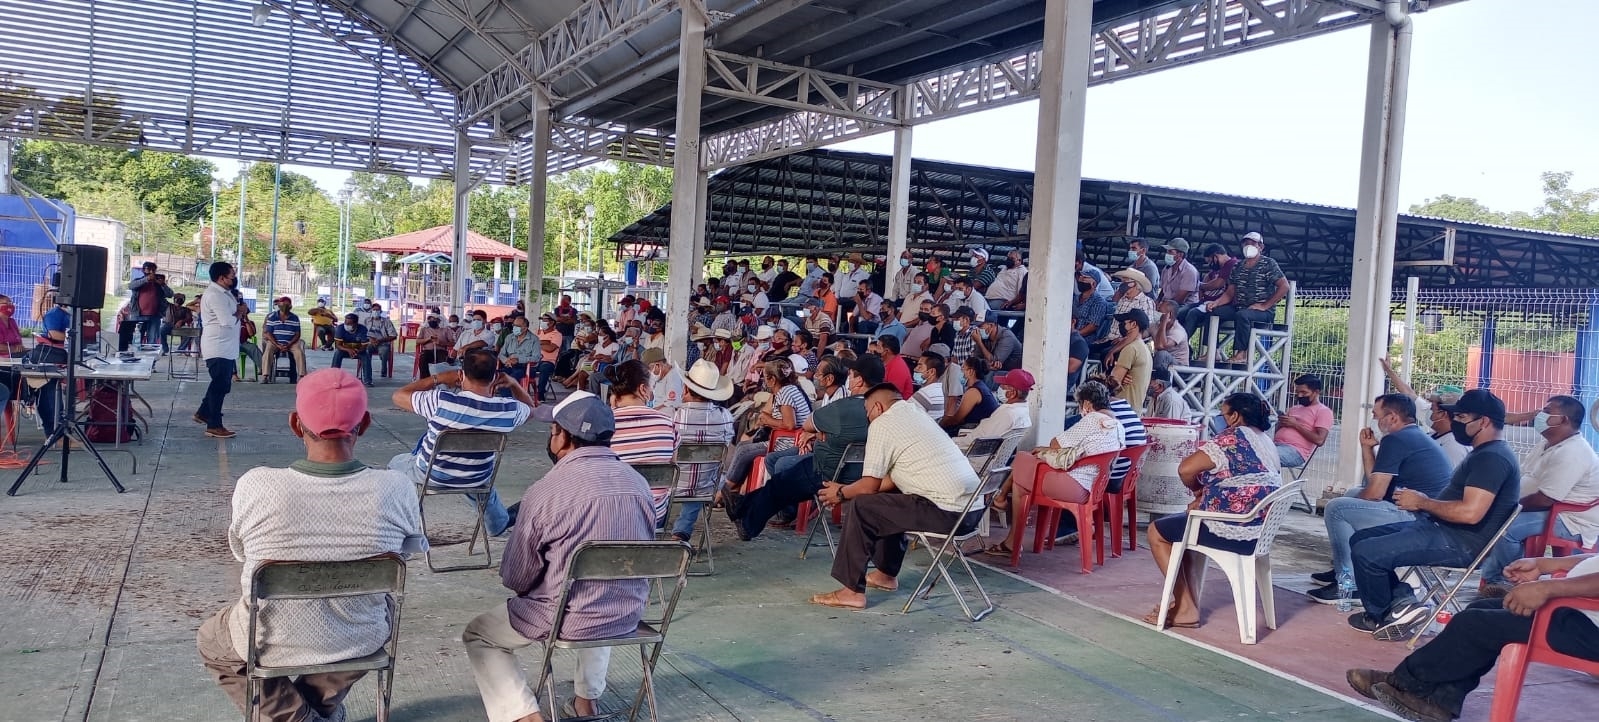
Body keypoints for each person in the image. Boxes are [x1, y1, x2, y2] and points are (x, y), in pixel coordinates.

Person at [197, 368, 423, 722]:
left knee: (212, 640)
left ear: (295, 423)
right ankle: (320, 710)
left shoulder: (256, 485)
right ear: (364, 424)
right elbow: (402, 557)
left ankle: (300, 718)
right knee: (377, 613)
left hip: (269, 639)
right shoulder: (397, 487)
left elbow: (243, 554)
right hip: (361, 637)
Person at [462, 392, 653, 722]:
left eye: (552, 430)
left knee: (479, 633)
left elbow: (516, 577)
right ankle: (587, 702)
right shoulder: (639, 483)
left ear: (563, 437)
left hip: (565, 618)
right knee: (602, 589)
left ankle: (525, 717)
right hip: (627, 612)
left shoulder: (547, 490)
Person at [1346, 389, 1521, 641]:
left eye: (1461, 417)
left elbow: (1471, 513)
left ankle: (1381, 615)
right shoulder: (1484, 453)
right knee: (1360, 540)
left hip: (1458, 542)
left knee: (1367, 553)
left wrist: (1423, 502)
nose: (1455, 422)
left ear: (1483, 422)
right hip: (1439, 529)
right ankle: (1403, 605)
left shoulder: (1492, 458)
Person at [1346, 552, 1599, 722]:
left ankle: (1405, 683)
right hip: (1580, 612)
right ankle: (1441, 701)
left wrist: (1548, 587)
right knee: (1481, 610)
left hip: (1589, 627)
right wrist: (1545, 565)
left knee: (1476, 624)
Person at [808, 383, 984, 610]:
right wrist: (846, 489)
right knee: (887, 500)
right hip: (971, 511)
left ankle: (850, 591)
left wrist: (840, 493)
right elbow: (889, 481)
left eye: (867, 412)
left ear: (878, 408)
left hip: (949, 512)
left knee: (862, 507)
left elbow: (869, 486)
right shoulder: (916, 413)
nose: (868, 418)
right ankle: (885, 575)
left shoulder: (883, 424)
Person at [1144, 392, 1281, 629]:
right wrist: (1206, 495)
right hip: (1259, 530)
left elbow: (1186, 469)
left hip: (1234, 529)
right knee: (1183, 527)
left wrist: (1197, 490)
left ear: (1235, 416)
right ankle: (1186, 603)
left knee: (1157, 532)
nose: (1221, 419)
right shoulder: (1266, 441)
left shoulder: (1233, 436)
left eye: (1223, 414)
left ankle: (1186, 608)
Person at [1307, 393, 1453, 605]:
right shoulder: (1410, 436)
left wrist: (1356, 502)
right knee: (1350, 497)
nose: (1375, 421)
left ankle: (1349, 583)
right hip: (1421, 513)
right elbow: (1374, 483)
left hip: (1419, 517)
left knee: (1336, 508)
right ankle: (1348, 570)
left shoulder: (1396, 439)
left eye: (1377, 415)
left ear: (1393, 417)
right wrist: (1368, 448)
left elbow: (1374, 493)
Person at [728, 355, 880, 541]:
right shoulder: (882, 408)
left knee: (781, 480)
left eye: (851, 375)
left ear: (859, 380)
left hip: (828, 471)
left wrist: (818, 431)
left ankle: (747, 520)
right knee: (782, 478)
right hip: (862, 473)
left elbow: (807, 425)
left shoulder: (844, 406)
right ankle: (741, 507)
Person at [389, 349, 534, 538]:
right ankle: (497, 523)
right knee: (478, 478)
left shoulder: (440, 401)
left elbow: (398, 396)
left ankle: (397, 522)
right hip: (476, 476)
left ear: (461, 373)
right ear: (496, 376)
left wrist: (437, 378)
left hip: (432, 475)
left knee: (396, 463)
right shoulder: (508, 409)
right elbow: (531, 409)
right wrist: (514, 384)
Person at [983, 381, 1124, 559]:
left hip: (1075, 486)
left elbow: (1056, 443)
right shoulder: (1117, 425)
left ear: (1087, 404)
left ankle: (1011, 540)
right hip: (1094, 486)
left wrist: (1046, 450)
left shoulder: (1092, 420)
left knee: (1021, 472)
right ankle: (1002, 501)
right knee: (1028, 463)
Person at [1477, 395, 1599, 597]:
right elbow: (1528, 477)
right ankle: (1495, 579)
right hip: (1550, 511)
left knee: (1506, 527)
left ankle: (1500, 581)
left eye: (1547, 412)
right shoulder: (1548, 443)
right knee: (1496, 518)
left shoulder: (1573, 452)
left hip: (1571, 519)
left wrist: (1508, 506)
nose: (1539, 415)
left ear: (1564, 420)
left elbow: (1545, 499)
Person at [718, 358, 814, 493]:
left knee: (744, 451)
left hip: (789, 443)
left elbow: (789, 424)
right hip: (785, 439)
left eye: (764, 377)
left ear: (772, 380)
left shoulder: (785, 393)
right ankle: (734, 489)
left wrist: (768, 420)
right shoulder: (788, 389)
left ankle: (726, 490)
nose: (763, 380)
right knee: (742, 446)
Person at [666, 361, 737, 542]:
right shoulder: (725, 417)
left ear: (686, 390)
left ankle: (657, 525)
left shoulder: (673, 416)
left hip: (670, 485)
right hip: (706, 486)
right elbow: (725, 444)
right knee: (702, 480)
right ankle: (681, 532)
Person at [1205, 232, 1289, 363]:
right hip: (1240, 308)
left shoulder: (1268, 263)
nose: (1248, 246)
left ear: (1261, 246)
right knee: (1212, 312)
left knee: (1243, 315)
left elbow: (1284, 286)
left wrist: (1264, 305)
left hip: (1263, 313)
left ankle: (1241, 354)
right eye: (1246, 243)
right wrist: (1216, 303)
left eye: (1253, 243)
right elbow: (1229, 293)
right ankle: (1212, 351)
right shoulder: (1237, 266)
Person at [1377, 358, 1469, 466]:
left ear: (1442, 414)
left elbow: (1448, 480)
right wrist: (1388, 370)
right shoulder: (1438, 434)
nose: (1428, 410)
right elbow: (1408, 393)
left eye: (1432, 408)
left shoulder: (1454, 446)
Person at [605, 360, 678, 469]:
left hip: (619, 485)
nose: (652, 392)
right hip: (657, 485)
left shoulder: (604, 424)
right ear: (643, 389)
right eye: (652, 387)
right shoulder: (668, 424)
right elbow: (672, 469)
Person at [197, 263, 241, 439]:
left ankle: (203, 412)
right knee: (219, 385)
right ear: (221, 278)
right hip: (217, 346)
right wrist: (240, 313)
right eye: (231, 276)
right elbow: (227, 321)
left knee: (223, 384)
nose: (234, 278)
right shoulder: (215, 295)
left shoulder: (224, 293)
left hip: (226, 347)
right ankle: (214, 424)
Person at [957, 369, 1032, 452]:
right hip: (979, 448)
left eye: (1003, 386)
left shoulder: (1007, 413)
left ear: (1011, 393)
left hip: (971, 452)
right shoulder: (1022, 410)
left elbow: (978, 440)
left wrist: (955, 442)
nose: (999, 388)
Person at [1182, 243, 1237, 350]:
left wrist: (1202, 286)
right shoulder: (1218, 269)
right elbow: (1208, 279)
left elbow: (1218, 284)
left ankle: (1181, 346)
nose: (1210, 264)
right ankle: (1179, 342)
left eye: (1210, 261)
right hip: (1207, 301)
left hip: (1222, 303)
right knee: (1181, 311)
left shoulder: (1231, 264)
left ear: (1215, 256)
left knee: (1194, 313)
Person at [1275, 374, 1332, 468]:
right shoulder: (1294, 408)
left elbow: (1320, 440)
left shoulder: (1323, 411)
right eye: (1297, 392)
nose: (1300, 395)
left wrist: (1295, 425)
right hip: (1276, 445)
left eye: (1304, 392)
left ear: (1316, 392)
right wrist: (1282, 423)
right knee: (1249, 452)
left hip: (1295, 451)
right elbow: (1277, 431)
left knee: (1263, 457)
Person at [941, 357, 1001, 433]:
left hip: (976, 431)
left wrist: (940, 424)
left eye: (962, 368)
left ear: (971, 372)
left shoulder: (973, 391)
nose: (961, 371)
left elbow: (956, 419)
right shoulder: (980, 386)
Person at [1108, 309, 1153, 410]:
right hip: (1134, 410)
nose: (1123, 325)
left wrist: (1112, 378)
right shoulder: (1145, 350)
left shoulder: (1130, 349)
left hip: (1120, 411)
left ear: (1133, 324)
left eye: (1125, 322)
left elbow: (1113, 382)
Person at [261, 297, 305, 384]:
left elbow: (297, 334)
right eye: (282, 304)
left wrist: (289, 344)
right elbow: (269, 333)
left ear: (290, 306)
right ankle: (265, 375)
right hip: (275, 341)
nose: (284, 307)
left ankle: (302, 376)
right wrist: (277, 345)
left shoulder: (295, 318)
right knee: (268, 351)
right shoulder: (272, 317)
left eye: (286, 305)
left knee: (299, 352)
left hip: (291, 342)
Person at [128, 261, 173, 345]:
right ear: (143, 270)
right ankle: (136, 356)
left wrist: (163, 285)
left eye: (153, 270)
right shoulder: (139, 281)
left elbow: (170, 294)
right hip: (138, 315)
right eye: (149, 269)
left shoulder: (158, 284)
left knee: (152, 341)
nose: (152, 272)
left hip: (154, 316)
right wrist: (146, 279)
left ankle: (150, 357)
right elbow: (131, 286)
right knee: (136, 340)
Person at [496, 316, 539, 391]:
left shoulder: (534, 339)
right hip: (510, 365)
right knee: (497, 375)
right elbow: (501, 354)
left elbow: (536, 358)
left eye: (518, 326)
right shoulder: (509, 337)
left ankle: (508, 399)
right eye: (514, 325)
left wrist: (518, 359)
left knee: (511, 378)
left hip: (526, 368)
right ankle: (506, 398)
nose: (514, 327)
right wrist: (506, 360)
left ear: (525, 328)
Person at [1073, 267, 1114, 345]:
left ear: (1094, 284)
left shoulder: (1099, 302)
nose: (1080, 280)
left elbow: (1092, 326)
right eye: (1080, 277)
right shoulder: (1075, 298)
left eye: (1084, 278)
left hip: (1086, 339)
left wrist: (1074, 335)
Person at [331, 313, 373, 387]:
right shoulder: (340, 328)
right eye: (346, 323)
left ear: (356, 324)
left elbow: (364, 346)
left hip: (358, 350)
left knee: (366, 356)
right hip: (344, 350)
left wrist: (357, 351)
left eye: (349, 324)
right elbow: (338, 345)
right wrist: (348, 350)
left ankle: (368, 381)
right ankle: (333, 378)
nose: (347, 325)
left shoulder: (362, 329)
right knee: (337, 353)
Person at [1159, 238, 1199, 308]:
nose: (1167, 254)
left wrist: (1164, 307)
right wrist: (1157, 301)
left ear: (1180, 254)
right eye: (1167, 252)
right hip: (1166, 303)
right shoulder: (1166, 268)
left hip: (1184, 306)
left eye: (1170, 252)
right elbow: (1163, 290)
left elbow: (1180, 298)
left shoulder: (1189, 271)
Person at [872, 334, 914, 398]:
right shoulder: (882, 361)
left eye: (878, 347)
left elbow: (892, 395)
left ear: (886, 351)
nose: (875, 349)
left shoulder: (898, 368)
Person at [1151, 299, 1190, 368]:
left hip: (1179, 367)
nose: (1157, 312)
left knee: (1162, 354)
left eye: (1159, 311)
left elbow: (1161, 346)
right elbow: (1142, 334)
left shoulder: (1178, 331)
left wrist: (1163, 324)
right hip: (1162, 363)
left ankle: (1156, 378)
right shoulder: (1155, 325)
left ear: (1169, 315)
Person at [911, 351, 948, 420]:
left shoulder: (925, 394)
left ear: (931, 372)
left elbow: (904, 416)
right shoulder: (936, 391)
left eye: (920, 366)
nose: (915, 369)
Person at [366, 303, 398, 379]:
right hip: (369, 342)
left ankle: (384, 371)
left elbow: (393, 335)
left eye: (377, 310)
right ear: (371, 311)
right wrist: (370, 339)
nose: (375, 312)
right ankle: (367, 370)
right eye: (374, 310)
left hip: (383, 343)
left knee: (384, 351)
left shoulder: (387, 321)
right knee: (366, 351)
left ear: (381, 311)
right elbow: (362, 333)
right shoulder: (367, 321)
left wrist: (381, 340)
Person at [235, 301, 262, 383]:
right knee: (230, 352)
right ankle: (234, 375)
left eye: (245, 309)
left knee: (253, 347)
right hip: (232, 343)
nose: (243, 310)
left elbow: (251, 334)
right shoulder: (233, 319)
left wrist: (246, 320)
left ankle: (264, 369)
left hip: (243, 343)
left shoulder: (250, 322)